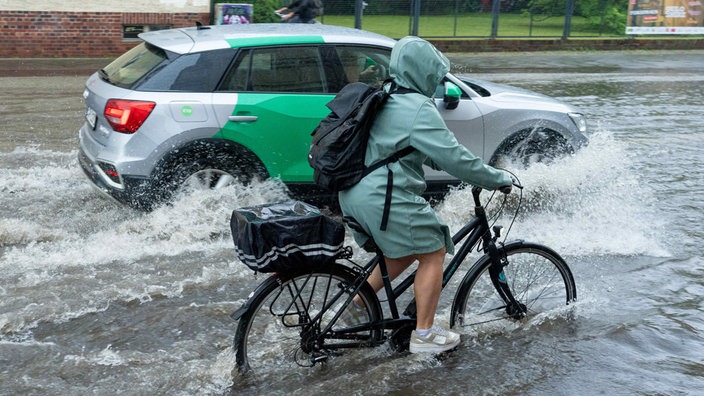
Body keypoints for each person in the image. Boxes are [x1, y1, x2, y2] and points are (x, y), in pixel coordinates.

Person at [338, 36, 513, 354]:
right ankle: (425, 334)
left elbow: (408, 148)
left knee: (401, 252)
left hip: (353, 193)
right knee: (433, 249)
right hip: (383, 197)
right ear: (424, 71)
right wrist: (495, 178)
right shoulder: (418, 107)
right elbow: (454, 158)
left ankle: (352, 309)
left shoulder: (386, 94)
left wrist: (452, 162)